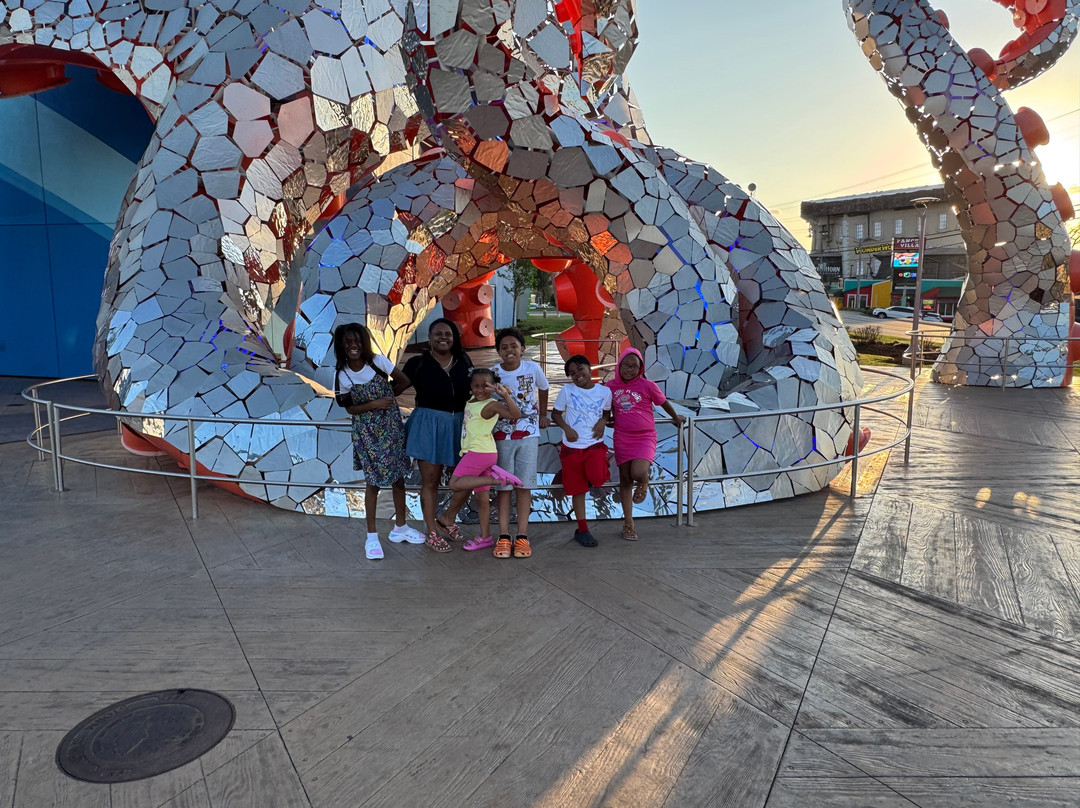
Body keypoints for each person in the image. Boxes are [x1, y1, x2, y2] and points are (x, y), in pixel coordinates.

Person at [333, 323, 425, 559]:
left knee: (398, 477)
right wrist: (374, 404)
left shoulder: (377, 362)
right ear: (342, 345)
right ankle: (371, 536)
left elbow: (404, 381)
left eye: (357, 340)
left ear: (364, 342)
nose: (353, 345)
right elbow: (348, 407)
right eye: (348, 341)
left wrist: (389, 396)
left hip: (391, 428)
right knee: (372, 482)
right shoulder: (343, 374)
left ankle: (401, 527)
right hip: (367, 433)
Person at [398, 318, 474, 551]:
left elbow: (477, 390)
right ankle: (431, 531)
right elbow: (395, 388)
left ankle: (447, 517)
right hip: (428, 425)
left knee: (468, 476)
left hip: (460, 424)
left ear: (454, 338)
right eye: (438, 334)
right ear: (429, 338)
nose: (443, 338)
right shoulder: (417, 363)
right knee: (430, 481)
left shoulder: (463, 360)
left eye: (448, 334)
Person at [434, 369, 524, 554]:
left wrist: (505, 396)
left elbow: (515, 415)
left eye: (485, 386)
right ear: (470, 386)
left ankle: (496, 479)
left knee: (455, 483)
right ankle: (485, 537)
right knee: (482, 499)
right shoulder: (472, 401)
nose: (480, 390)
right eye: (476, 386)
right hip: (483, 453)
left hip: (479, 453)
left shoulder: (492, 405)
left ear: (493, 386)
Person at [606, 347, 684, 541]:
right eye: (626, 365)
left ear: (640, 368)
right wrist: (607, 419)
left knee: (639, 471)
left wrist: (675, 417)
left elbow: (663, 402)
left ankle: (644, 481)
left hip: (644, 437)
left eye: (634, 366)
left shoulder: (647, 385)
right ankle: (629, 523)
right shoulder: (610, 386)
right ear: (619, 365)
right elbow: (607, 408)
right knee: (625, 480)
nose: (629, 369)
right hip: (622, 437)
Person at [489, 328, 550, 559]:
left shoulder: (532, 368)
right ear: (498, 351)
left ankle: (522, 535)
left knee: (524, 486)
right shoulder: (493, 373)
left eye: (513, 346)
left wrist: (542, 414)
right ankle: (504, 535)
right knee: (504, 486)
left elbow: (544, 387)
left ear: (522, 349)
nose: (509, 351)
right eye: (504, 347)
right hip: (502, 435)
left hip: (529, 434)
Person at [551, 355, 612, 548]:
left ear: (589, 367)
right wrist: (566, 429)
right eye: (572, 373)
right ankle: (582, 528)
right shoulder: (567, 391)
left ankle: (583, 474)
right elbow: (555, 414)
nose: (577, 375)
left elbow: (607, 412)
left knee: (597, 477)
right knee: (578, 490)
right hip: (571, 448)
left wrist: (602, 422)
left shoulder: (604, 391)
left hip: (594, 444)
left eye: (580, 369)